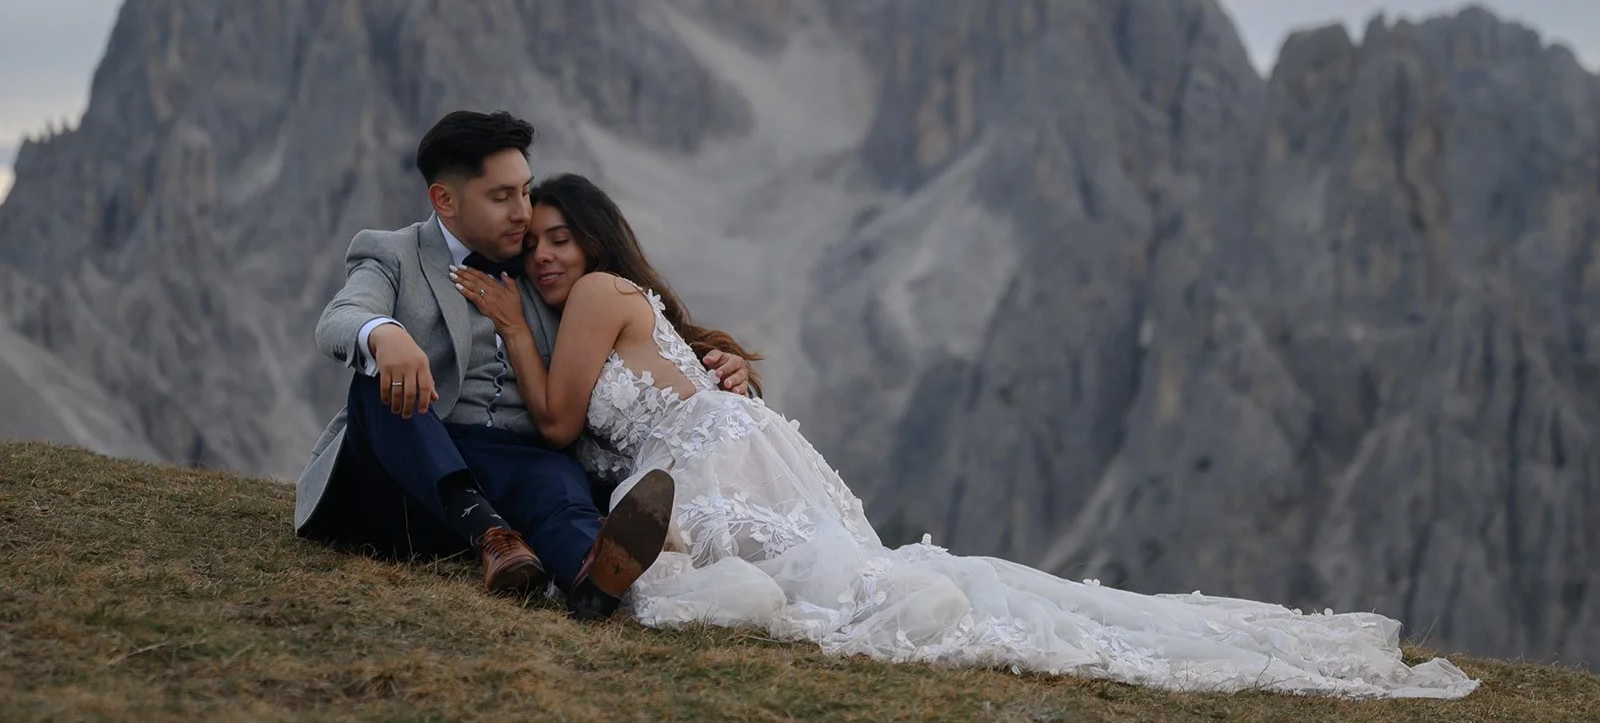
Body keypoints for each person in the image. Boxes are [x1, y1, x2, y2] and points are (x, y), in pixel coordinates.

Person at [449, 171, 1480, 698]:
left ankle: (687, 586)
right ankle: (879, 598)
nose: (544, 256)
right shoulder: (626, 295)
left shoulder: (587, 296)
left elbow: (556, 420)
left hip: (711, 454)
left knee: (745, 583)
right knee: (830, 571)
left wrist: (506, 325)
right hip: (741, 439)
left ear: (590, 238)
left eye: (557, 237)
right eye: (531, 242)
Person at [293, 112, 756, 620]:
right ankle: (488, 533)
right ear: (445, 200)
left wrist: (713, 365)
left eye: (525, 191)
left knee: (555, 481)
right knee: (379, 385)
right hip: (414, 474)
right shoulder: (392, 253)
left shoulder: (540, 267)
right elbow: (340, 317)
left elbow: (632, 338)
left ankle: (591, 575)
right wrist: (384, 335)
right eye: (502, 197)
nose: (522, 213)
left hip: (518, 465)